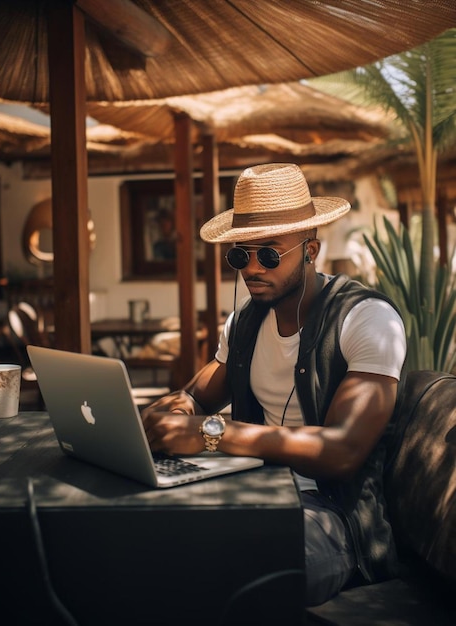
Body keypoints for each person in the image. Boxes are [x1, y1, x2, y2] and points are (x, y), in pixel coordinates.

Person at [142, 163, 407, 607]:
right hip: (249, 494)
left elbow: (342, 451)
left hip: (331, 517)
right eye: (238, 255)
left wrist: (212, 435)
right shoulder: (245, 322)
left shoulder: (366, 319)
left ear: (311, 250)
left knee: (237, 579)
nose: (251, 268)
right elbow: (194, 394)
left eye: (268, 254)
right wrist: (175, 412)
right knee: (145, 545)